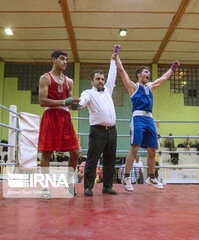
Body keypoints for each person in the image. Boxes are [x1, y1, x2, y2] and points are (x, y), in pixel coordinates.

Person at [115, 45, 180, 192]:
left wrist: (172, 68)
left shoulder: (150, 87)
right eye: (145, 72)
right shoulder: (133, 86)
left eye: (149, 72)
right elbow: (121, 71)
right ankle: (126, 177)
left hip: (150, 119)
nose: (148, 74)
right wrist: (117, 55)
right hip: (138, 118)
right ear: (139, 75)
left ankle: (151, 177)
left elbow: (163, 78)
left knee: (152, 150)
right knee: (135, 147)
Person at [38, 50, 80, 199]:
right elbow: (42, 101)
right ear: (54, 60)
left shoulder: (69, 81)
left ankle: (68, 182)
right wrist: (63, 102)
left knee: (75, 152)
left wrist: (76, 105)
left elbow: (69, 103)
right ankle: (44, 187)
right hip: (51, 116)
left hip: (65, 118)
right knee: (47, 153)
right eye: (62, 59)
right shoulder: (45, 78)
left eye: (66, 60)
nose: (65, 62)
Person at [77, 51, 119, 196]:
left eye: (102, 78)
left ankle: (107, 187)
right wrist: (78, 104)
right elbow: (82, 101)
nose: (101, 81)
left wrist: (113, 59)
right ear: (92, 81)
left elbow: (112, 74)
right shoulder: (88, 92)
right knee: (92, 159)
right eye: (98, 79)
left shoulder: (108, 90)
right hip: (97, 131)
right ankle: (88, 187)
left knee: (110, 160)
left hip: (112, 130)